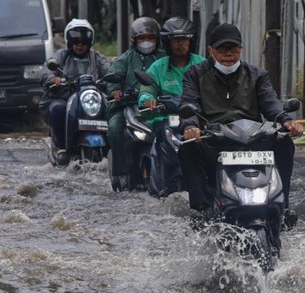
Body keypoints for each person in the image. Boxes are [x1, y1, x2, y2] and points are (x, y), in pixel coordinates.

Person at [178, 23, 304, 214]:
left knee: (285, 143)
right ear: (210, 50)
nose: (228, 54)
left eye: (233, 48)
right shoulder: (195, 74)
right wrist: (190, 126)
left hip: (252, 139)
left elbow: (270, 101)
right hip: (214, 140)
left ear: (241, 49)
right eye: (222, 49)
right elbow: (189, 102)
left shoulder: (257, 75)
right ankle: (201, 208)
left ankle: (282, 205)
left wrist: (286, 121)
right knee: (187, 148)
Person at [138, 16, 205, 197]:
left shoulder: (203, 64)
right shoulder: (157, 67)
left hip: (198, 120)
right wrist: (148, 99)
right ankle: (164, 187)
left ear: (191, 41)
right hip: (166, 120)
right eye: (175, 40)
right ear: (168, 43)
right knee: (162, 136)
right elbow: (147, 89)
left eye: (184, 39)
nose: (180, 44)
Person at [105, 16, 167, 191]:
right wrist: (115, 90)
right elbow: (113, 77)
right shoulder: (125, 59)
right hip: (126, 106)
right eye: (142, 38)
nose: (146, 42)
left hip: (156, 106)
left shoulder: (163, 58)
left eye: (150, 38)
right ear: (134, 40)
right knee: (115, 128)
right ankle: (121, 175)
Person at [40, 19, 111, 167]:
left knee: (111, 108)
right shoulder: (61, 55)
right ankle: (61, 147)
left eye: (83, 42)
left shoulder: (97, 57)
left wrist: (113, 78)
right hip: (65, 97)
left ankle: (112, 147)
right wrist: (53, 79)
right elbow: (47, 69)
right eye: (76, 41)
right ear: (69, 41)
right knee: (58, 110)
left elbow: (110, 70)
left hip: (91, 99)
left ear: (89, 42)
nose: (80, 45)